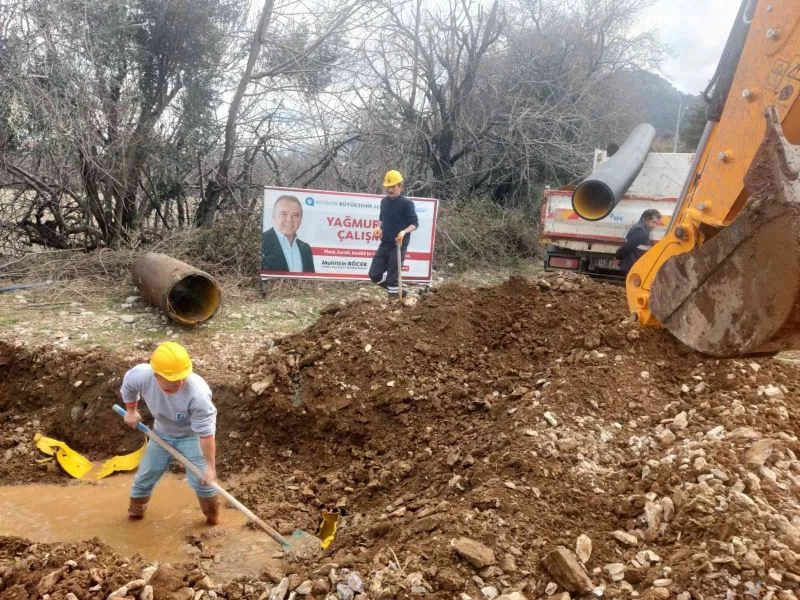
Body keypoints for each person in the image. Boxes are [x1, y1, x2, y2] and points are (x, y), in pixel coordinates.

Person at [120, 341, 220, 525]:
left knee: (203, 482)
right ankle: (135, 517)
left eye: (182, 378)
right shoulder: (141, 375)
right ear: (156, 375)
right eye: (172, 383)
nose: (180, 383)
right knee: (144, 477)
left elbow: (206, 435)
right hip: (161, 433)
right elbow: (128, 386)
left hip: (191, 436)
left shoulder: (198, 394)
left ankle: (213, 521)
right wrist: (131, 410)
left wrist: (210, 467)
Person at [369, 169, 419, 298]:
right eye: (387, 187)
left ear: (400, 186)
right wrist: (378, 227)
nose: (389, 190)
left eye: (392, 186)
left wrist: (404, 231)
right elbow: (382, 218)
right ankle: (398, 291)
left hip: (398, 244)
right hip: (385, 242)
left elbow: (414, 224)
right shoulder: (384, 202)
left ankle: (394, 304)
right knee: (374, 274)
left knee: (393, 277)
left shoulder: (407, 203)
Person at [262, 195, 315, 273]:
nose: (289, 220)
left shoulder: (306, 249)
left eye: (295, 215)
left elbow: (311, 282)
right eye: (283, 214)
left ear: (301, 219)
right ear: (273, 216)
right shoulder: (262, 241)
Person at [614, 209, 662, 273]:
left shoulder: (644, 229)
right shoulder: (640, 231)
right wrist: (618, 257)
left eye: (656, 224)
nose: (655, 226)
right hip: (633, 266)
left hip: (635, 265)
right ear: (645, 219)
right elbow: (628, 247)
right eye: (653, 222)